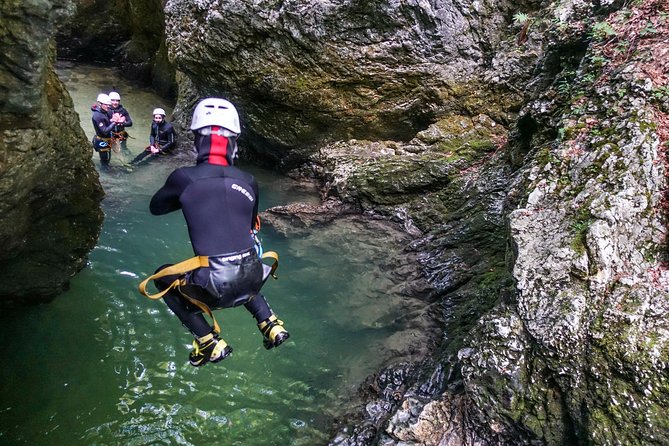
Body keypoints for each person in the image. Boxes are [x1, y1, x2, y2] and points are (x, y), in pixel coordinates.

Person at [139, 98, 289, 367]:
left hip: (213, 286)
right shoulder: (249, 181)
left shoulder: (184, 178)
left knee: (162, 276)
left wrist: (187, 196)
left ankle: (207, 339)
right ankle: (269, 323)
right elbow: (249, 221)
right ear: (234, 143)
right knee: (241, 260)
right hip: (255, 276)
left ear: (198, 141)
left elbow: (156, 208)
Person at [91, 93, 123, 169]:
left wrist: (115, 119)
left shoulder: (105, 111)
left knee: (108, 158)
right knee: (104, 160)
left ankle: (106, 169)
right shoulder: (97, 116)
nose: (108, 107)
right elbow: (104, 130)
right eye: (106, 105)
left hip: (107, 139)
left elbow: (109, 119)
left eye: (109, 105)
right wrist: (114, 122)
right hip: (102, 141)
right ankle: (105, 172)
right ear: (100, 104)